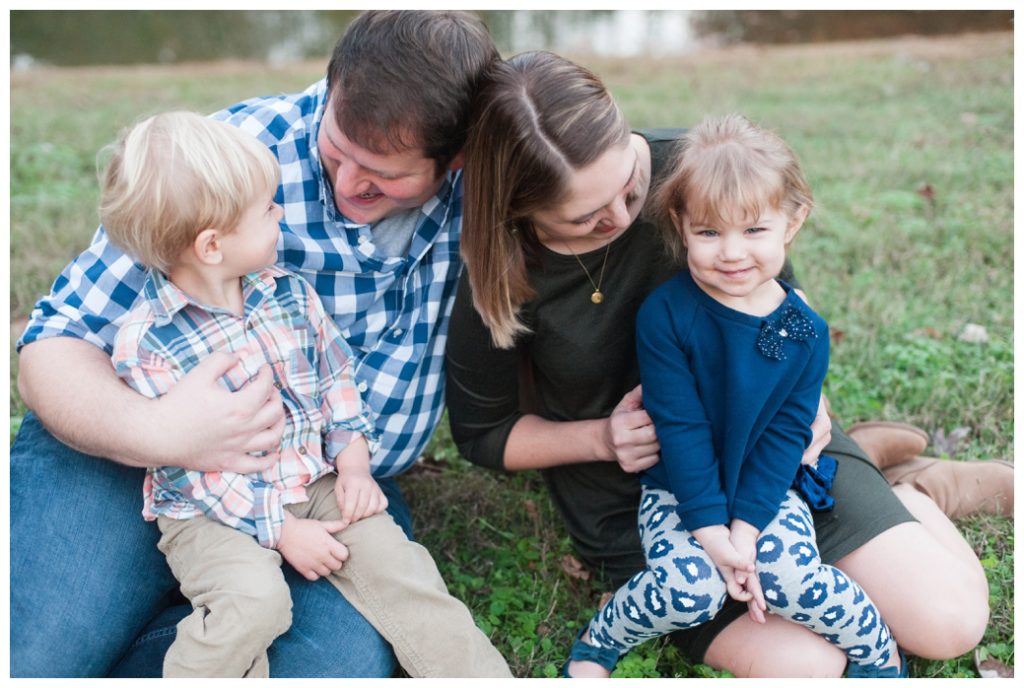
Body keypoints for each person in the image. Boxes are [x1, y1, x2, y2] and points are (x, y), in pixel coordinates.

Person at [446, 50, 995, 677]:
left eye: (629, 188)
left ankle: (914, 491)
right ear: (519, 211)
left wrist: (808, 402)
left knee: (947, 625)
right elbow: (482, 434)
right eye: (586, 218)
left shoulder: (695, 167)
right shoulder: (497, 270)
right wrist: (602, 438)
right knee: (808, 667)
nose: (624, 218)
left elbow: (784, 299)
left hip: (773, 451)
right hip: (642, 490)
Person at [11, 11, 499, 678]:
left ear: (459, 157)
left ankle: (184, 632)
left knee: (333, 668)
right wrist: (161, 431)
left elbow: (593, 163)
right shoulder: (227, 161)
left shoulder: (487, 197)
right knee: (36, 652)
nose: (350, 183)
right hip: (131, 459)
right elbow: (52, 344)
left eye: (382, 173)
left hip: (320, 483)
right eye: (338, 148)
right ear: (331, 90)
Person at [100, 111, 510, 678]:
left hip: (312, 477)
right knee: (253, 602)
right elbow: (185, 468)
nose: (281, 214)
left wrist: (354, 465)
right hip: (214, 513)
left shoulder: (288, 295)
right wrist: (281, 530)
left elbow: (335, 379)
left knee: (401, 570)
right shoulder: (148, 343)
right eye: (267, 210)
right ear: (213, 245)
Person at [563, 114, 901, 678]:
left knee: (789, 577)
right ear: (681, 224)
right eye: (710, 232)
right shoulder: (668, 315)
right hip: (678, 492)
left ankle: (876, 652)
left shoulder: (803, 330)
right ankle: (599, 641)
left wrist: (744, 534)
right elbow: (681, 429)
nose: (732, 253)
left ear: (793, 223)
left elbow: (784, 436)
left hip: (767, 490)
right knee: (690, 589)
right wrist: (711, 537)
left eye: (754, 231)